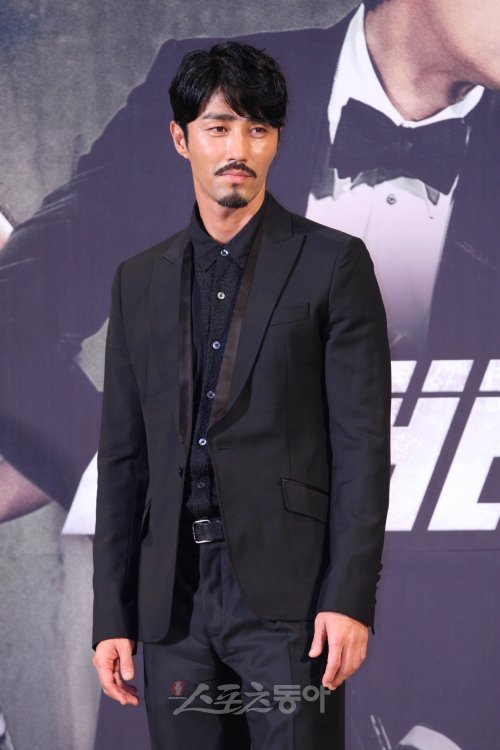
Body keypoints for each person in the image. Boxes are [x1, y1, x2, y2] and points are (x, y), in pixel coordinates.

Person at [91, 41, 391, 750]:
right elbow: (123, 460)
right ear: (181, 138)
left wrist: (348, 599)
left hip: (290, 603)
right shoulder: (138, 281)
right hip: (173, 604)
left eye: (257, 129)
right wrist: (112, 615)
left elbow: (361, 447)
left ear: (277, 140)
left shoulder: (333, 263)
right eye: (219, 127)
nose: (238, 150)